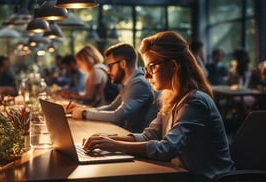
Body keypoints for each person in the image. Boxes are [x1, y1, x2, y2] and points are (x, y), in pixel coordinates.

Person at [83, 31, 235, 181]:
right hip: (183, 174)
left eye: (152, 67)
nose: (146, 75)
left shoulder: (194, 101)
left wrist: (115, 146)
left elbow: (167, 149)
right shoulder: (171, 97)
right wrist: (107, 140)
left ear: (174, 66)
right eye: (146, 68)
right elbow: (149, 136)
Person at [66, 43, 158, 133]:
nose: (108, 71)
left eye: (110, 66)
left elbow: (117, 116)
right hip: (125, 134)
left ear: (123, 64)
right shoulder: (128, 83)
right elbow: (111, 107)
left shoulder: (139, 84)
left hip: (136, 141)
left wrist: (84, 114)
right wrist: (84, 110)